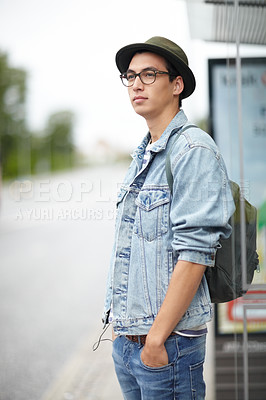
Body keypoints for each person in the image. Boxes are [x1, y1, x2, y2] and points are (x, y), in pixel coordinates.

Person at [102, 36, 235, 400]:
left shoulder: (193, 150)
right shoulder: (144, 154)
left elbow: (195, 254)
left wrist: (157, 339)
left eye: (149, 73)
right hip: (130, 342)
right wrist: (121, 332)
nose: (136, 84)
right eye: (130, 76)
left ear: (177, 85)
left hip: (168, 345)